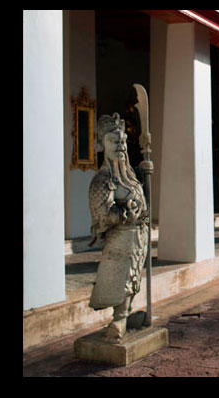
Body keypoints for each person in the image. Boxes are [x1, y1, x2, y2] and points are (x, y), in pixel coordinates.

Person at [88, 113, 149, 340]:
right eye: (114, 141)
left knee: (134, 277)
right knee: (120, 278)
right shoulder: (103, 181)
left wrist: (144, 174)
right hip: (120, 239)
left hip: (138, 236)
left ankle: (125, 312)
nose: (121, 146)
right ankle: (118, 319)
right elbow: (101, 213)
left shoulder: (129, 175)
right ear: (102, 145)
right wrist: (124, 214)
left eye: (122, 141)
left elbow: (142, 198)